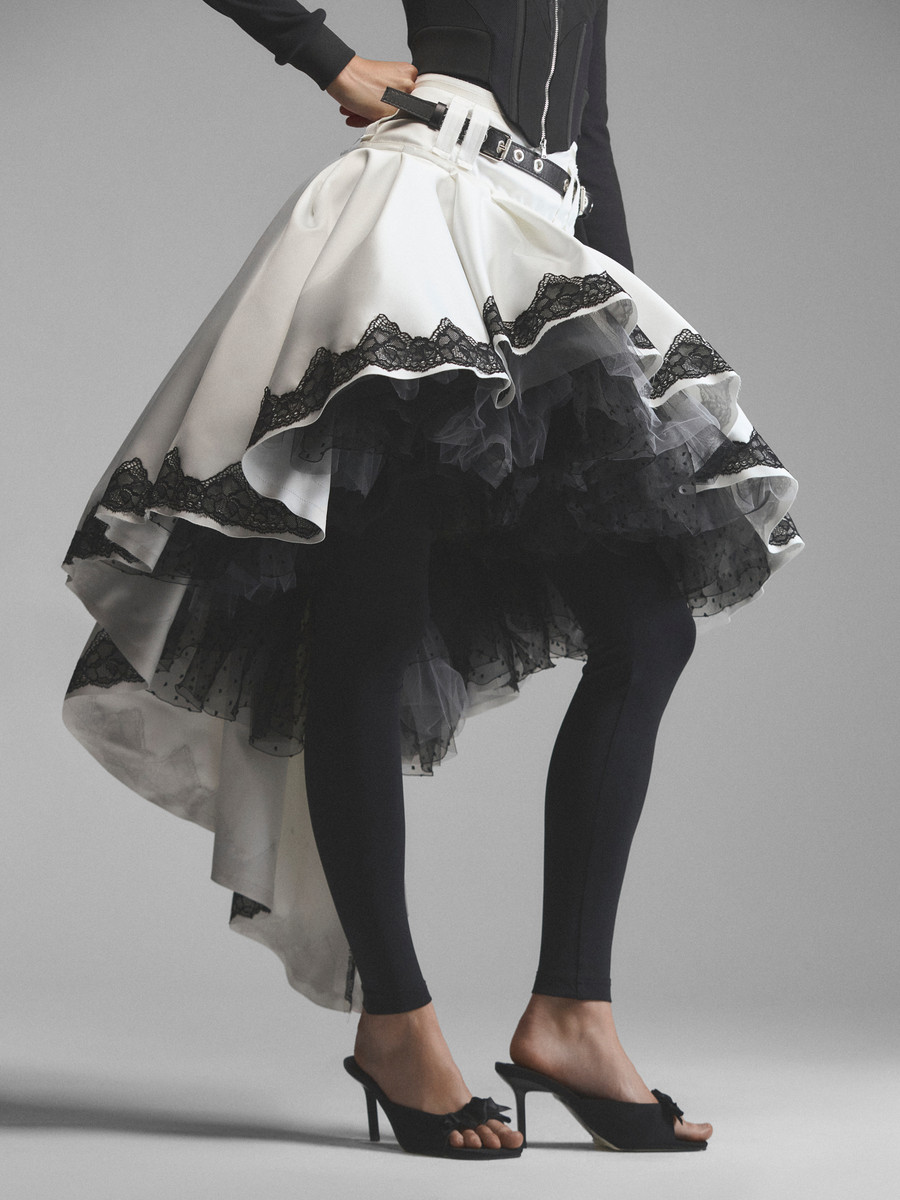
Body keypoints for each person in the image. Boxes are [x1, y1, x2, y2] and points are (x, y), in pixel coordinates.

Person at [61, 0, 802, 1160]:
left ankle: (572, 1015)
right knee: (371, 621)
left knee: (650, 629)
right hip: (422, 221)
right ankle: (396, 1022)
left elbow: (586, 112)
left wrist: (619, 325)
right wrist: (322, 56)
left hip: (543, 239)